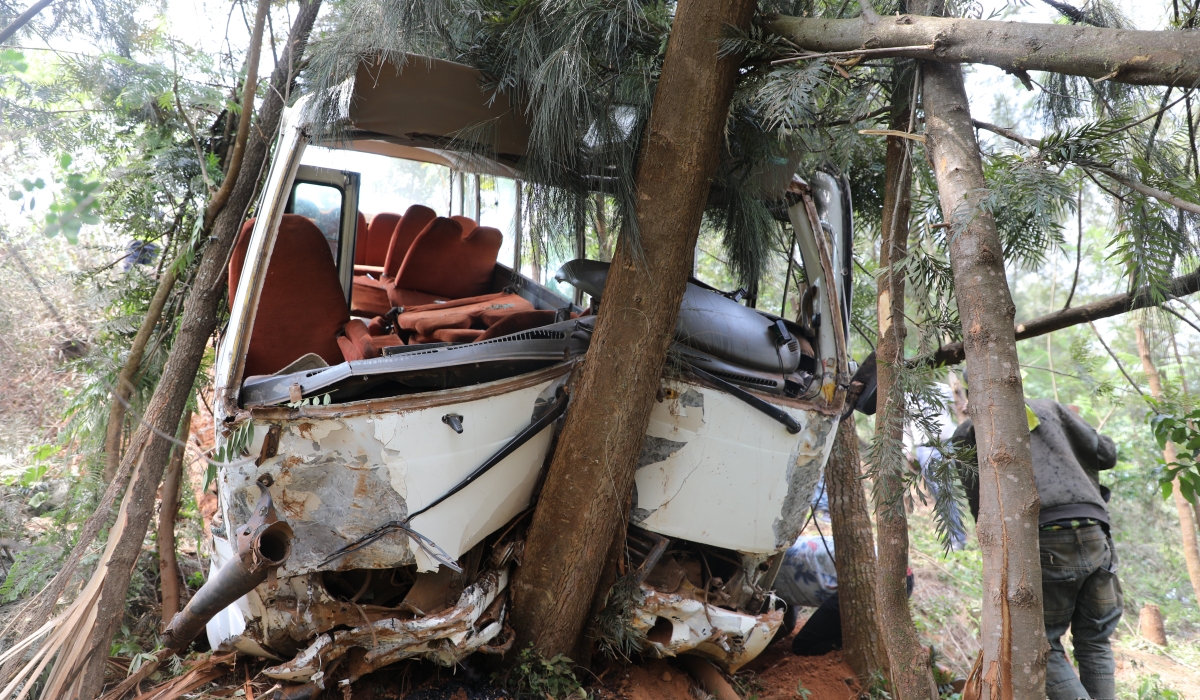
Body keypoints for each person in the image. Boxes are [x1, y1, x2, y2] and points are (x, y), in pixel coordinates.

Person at [953, 399, 1121, 700]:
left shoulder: (969, 431)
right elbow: (1106, 454)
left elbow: (981, 504)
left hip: (1041, 536)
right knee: (1095, 640)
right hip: (1095, 530)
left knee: (1041, 641)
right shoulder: (1050, 409)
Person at [773, 535, 913, 656]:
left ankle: (882, 644)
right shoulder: (785, 544)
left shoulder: (770, 567)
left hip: (877, 580)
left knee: (803, 645)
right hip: (900, 573)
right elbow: (787, 621)